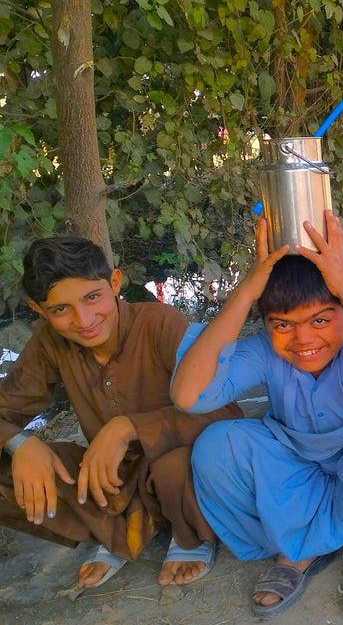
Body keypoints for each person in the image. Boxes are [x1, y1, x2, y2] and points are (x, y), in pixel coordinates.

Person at [171, 211, 343, 617]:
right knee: (217, 446)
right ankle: (300, 548)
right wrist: (245, 293)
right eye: (282, 325)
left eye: (320, 319)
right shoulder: (266, 351)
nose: (303, 339)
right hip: (299, 473)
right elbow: (189, 395)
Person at [0, 237, 241, 589]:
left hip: (177, 470)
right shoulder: (50, 341)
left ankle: (189, 532)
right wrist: (20, 443)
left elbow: (226, 411)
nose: (84, 320)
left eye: (92, 297)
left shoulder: (159, 323)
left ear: (114, 282)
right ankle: (117, 530)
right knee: (9, 466)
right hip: (113, 480)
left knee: (177, 463)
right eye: (60, 309)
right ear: (39, 310)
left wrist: (128, 428)